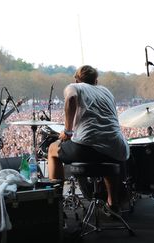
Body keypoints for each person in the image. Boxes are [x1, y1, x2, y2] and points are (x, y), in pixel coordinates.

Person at [47, 65, 130, 210]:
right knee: (106, 156)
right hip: (117, 148)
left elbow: (71, 98)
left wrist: (67, 131)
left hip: (87, 147)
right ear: (96, 81)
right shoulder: (106, 91)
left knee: (52, 149)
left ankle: (56, 203)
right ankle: (113, 203)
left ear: (77, 79)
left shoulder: (74, 87)